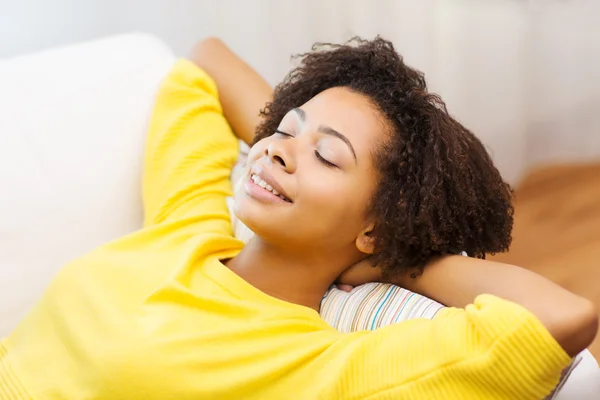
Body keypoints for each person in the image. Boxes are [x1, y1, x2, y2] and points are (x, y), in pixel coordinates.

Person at [0, 36, 597, 399]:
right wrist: (293, 145)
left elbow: (561, 318)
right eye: (284, 128)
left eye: (327, 155)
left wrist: (403, 259)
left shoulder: (317, 368)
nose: (277, 148)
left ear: (374, 226)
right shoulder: (190, 225)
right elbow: (202, 64)